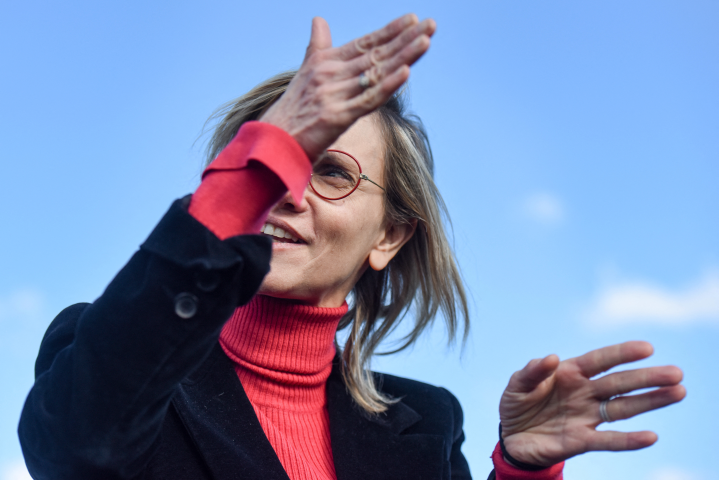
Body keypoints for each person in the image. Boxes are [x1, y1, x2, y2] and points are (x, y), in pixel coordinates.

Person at [18, 14, 685, 480]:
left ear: (389, 237)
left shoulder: (424, 421)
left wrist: (521, 472)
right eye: (275, 167)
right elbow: (79, 453)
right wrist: (252, 170)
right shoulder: (107, 360)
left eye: (330, 171)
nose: (289, 192)